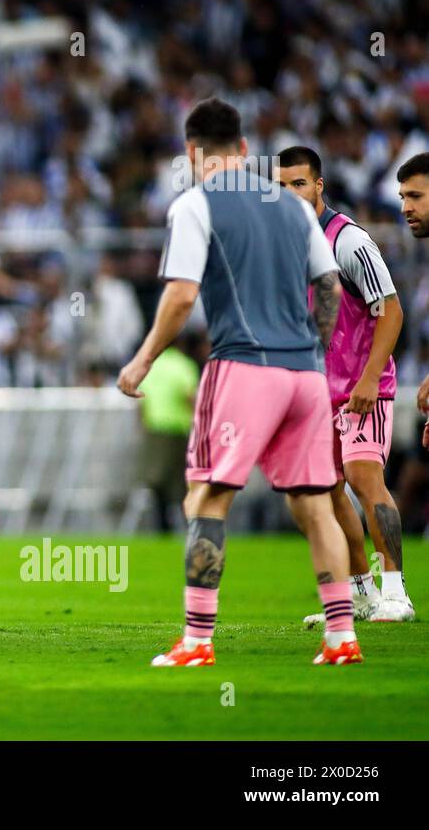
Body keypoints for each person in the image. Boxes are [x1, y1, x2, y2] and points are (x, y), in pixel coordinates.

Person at [118, 98, 360, 666]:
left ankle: (198, 642)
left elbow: (180, 296)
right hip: (304, 373)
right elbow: (329, 285)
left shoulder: (195, 204)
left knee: (207, 495)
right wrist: (314, 350)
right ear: (246, 150)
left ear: (191, 152)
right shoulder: (293, 206)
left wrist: (143, 361)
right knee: (313, 505)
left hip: (243, 366)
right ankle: (341, 636)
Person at [278, 146, 414, 624]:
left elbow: (391, 310)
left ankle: (396, 592)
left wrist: (371, 377)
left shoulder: (349, 241)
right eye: (281, 186)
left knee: (362, 478)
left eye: (298, 184)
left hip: (363, 386)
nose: (290, 194)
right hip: (317, 391)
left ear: (318, 185)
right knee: (326, 489)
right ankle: (361, 595)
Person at [135, 332, 203, 533]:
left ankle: (163, 527)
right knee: (182, 483)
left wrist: (142, 426)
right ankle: (190, 526)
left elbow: (142, 400)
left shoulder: (150, 366)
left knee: (157, 482)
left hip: (154, 429)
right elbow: (190, 397)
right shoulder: (183, 365)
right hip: (177, 431)